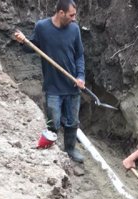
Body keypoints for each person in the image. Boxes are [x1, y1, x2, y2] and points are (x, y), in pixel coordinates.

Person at [15, 0, 85, 163]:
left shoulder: (74, 29)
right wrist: (23, 41)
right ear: (61, 13)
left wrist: (81, 76)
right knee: (53, 122)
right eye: (71, 15)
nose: (74, 18)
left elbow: (79, 55)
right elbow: (31, 47)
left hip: (72, 84)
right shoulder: (42, 27)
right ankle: (52, 152)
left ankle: (70, 149)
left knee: (72, 122)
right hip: (53, 86)